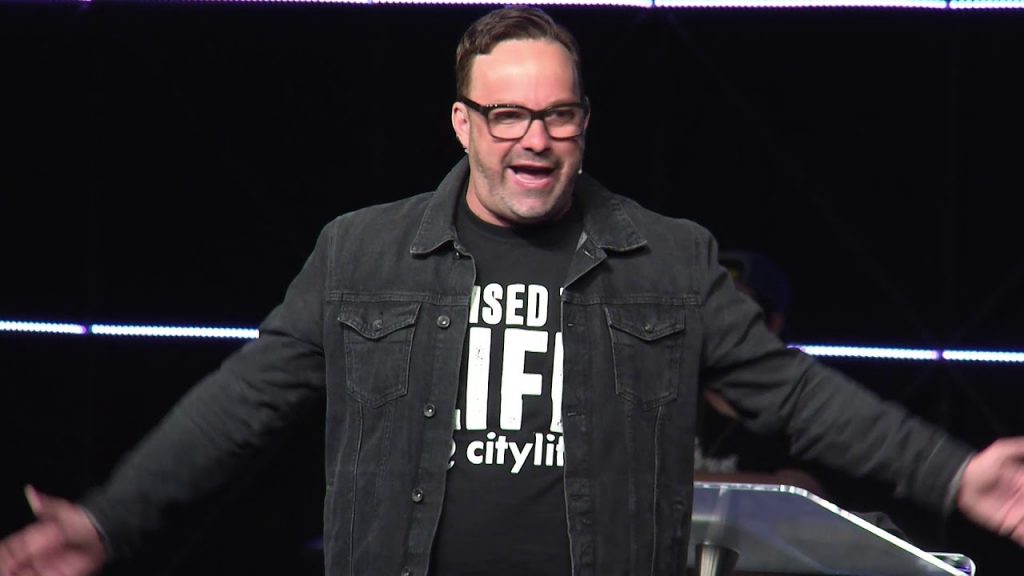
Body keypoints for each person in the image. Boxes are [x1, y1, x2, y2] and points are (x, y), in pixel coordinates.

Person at [2, 8, 1023, 576]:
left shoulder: (667, 259)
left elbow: (792, 393)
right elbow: (243, 404)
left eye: (557, 115)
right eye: (506, 116)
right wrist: (109, 521)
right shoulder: (362, 254)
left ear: (582, 124)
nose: (533, 139)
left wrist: (954, 475)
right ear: (463, 125)